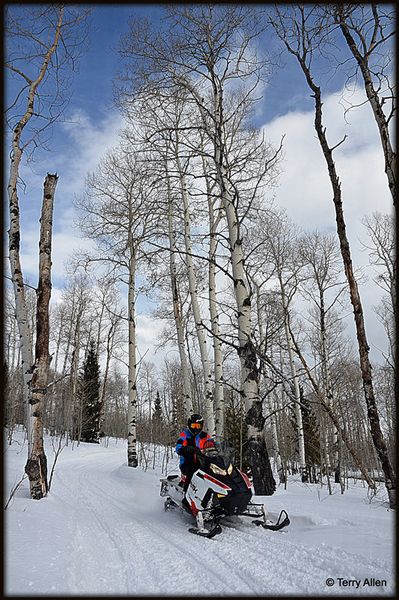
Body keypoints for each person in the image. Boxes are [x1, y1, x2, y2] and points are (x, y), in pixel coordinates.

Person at [175, 413, 211, 491]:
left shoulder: (205, 436)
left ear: (201, 426)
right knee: (192, 473)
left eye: (197, 426)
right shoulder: (184, 435)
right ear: (189, 425)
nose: (195, 428)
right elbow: (178, 446)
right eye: (193, 426)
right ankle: (186, 497)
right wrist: (185, 449)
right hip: (187, 463)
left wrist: (220, 445)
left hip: (202, 462)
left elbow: (211, 443)